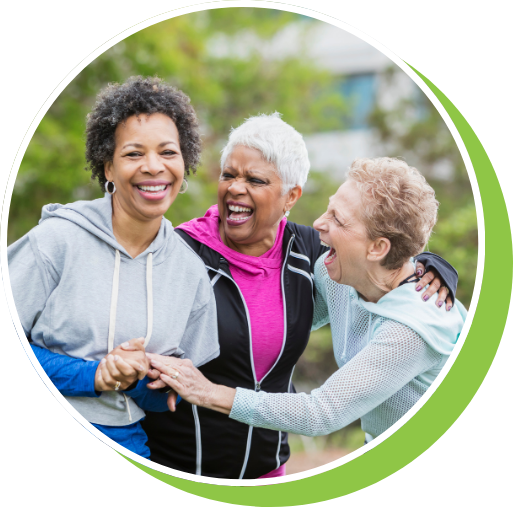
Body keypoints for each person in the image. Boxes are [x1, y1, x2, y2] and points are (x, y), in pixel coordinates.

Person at [21, 113, 454, 478]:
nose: (321, 225)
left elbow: (325, 410)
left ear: (290, 196)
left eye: (256, 179)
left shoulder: (325, 265)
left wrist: (429, 264)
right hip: (178, 465)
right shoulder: (182, 252)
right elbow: (118, 352)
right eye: (229, 175)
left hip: (276, 470)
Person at [148, 156, 467, 447]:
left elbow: (321, 413)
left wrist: (206, 391)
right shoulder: (339, 273)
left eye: (338, 220)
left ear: (377, 248)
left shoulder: (412, 330)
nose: (317, 224)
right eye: (329, 209)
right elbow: (285, 318)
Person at [7, 76, 220, 459]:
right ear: (107, 167)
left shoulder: (189, 272)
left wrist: (138, 376)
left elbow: (166, 401)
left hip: (128, 442)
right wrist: (94, 375)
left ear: (184, 162)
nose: (153, 167)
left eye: (168, 152)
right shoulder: (55, 242)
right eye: (134, 153)